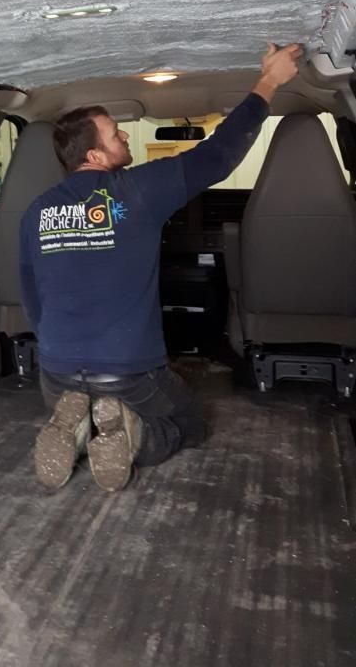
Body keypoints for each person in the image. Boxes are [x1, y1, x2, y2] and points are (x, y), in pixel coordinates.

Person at [20, 42, 304, 492]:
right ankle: (134, 437)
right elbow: (219, 154)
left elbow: (32, 297)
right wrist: (268, 81)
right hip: (127, 373)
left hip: (55, 372)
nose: (125, 139)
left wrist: (64, 349)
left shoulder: (36, 212)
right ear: (94, 156)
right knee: (189, 422)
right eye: (116, 135)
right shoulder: (137, 190)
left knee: (91, 409)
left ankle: (75, 425)